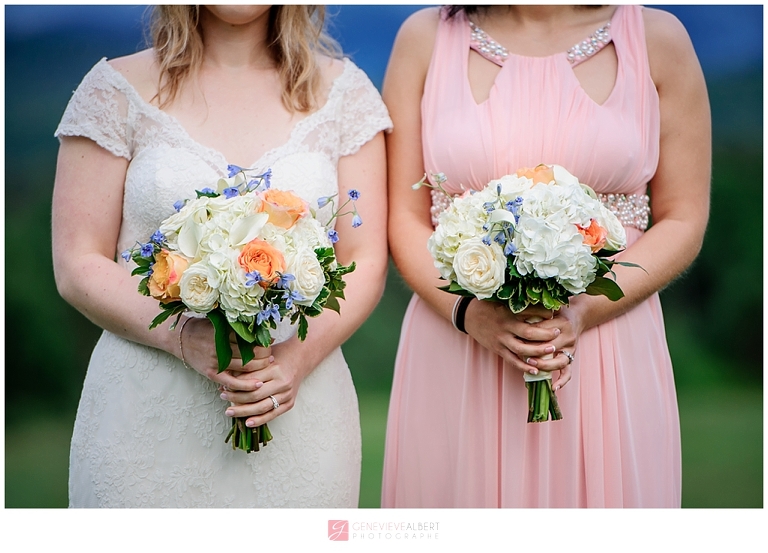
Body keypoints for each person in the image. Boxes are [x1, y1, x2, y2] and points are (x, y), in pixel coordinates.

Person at [52, 5, 391, 508]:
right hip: (145, 417)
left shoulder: (346, 94)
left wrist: (293, 363)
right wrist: (184, 338)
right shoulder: (114, 90)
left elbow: (365, 260)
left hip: (298, 409)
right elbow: (78, 262)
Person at [381, 5, 710, 507]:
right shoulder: (425, 36)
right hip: (458, 341)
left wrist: (584, 311)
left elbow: (683, 218)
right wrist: (470, 315)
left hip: (605, 343)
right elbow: (403, 215)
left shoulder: (658, 38)